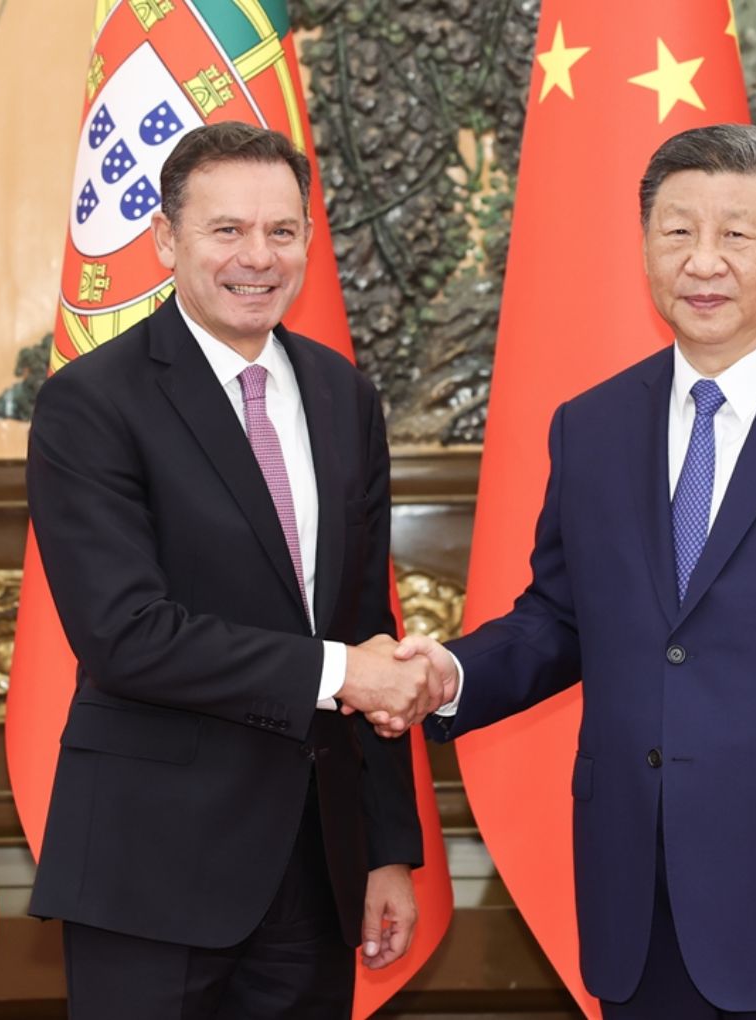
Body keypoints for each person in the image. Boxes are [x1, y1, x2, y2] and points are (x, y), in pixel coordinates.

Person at [396, 124, 756, 1019]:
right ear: (645, 244)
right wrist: (451, 673)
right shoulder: (592, 426)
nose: (703, 261)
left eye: (736, 234)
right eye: (677, 232)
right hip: (645, 902)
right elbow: (562, 618)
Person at [25, 122, 451, 1019]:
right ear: (166, 239)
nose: (258, 257)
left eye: (281, 231)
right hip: (152, 868)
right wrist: (339, 673)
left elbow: (366, 622)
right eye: (227, 230)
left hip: (317, 866)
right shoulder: (91, 403)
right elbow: (126, 636)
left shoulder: (344, 396)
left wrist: (385, 850)